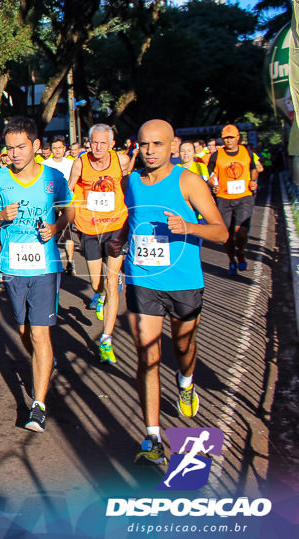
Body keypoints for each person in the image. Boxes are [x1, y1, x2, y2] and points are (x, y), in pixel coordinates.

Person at [110, 120, 227, 464]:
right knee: (148, 354)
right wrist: (121, 237)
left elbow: (220, 231)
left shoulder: (188, 181)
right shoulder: (130, 181)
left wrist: (188, 227)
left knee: (182, 347)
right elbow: (131, 220)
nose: (149, 152)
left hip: (184, 282)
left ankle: (186, 379)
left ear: (172, 146)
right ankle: (152, 437)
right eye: (144, 145)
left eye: (157, 145)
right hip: (142, 279)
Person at [0, 118, 74, 432]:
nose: (15, 153)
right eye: (9, 148)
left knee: (40, 334)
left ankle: (38, 405)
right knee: (24, 332)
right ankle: (43, 364)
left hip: (45, 267)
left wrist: (56, 227)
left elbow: (70, 211)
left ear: (37, 146)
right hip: (12, 266)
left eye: (21, 147)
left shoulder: (54, 178)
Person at [68, 124, 134, 364]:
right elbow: (69, 188)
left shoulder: (122, 161)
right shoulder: (80, 163)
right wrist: (70, 214)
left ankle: (106, 338)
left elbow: (128, 189)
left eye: (103, 143)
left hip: (116, 226)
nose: (97, 147)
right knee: (96, 283)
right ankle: (99, 296)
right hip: (89, 227)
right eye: (94, 142)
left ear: (112, 144)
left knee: (112, 280)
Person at [207, 124, 262, 274]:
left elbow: (254, 169)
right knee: (227, 234)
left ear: (238, 137)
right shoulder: (216, 156)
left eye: (232, 137)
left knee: (241, 230)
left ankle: (241, 253)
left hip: (244, 196)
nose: (229, 141)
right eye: (226, 138)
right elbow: (210, 176)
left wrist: (253, 181)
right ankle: (231, 259)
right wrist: (213, 185)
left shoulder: (246, 152)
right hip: (224, 198)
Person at [44, 136, 76, 274]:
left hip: (67, 203)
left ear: (64, 149)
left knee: (68, 233)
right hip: (50, 205)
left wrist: (66, 202)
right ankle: (52, 263)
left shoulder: (72, 163)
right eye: (54, 148)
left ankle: (70, 263)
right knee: (51, 234)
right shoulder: (45, 164)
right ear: (51, 149)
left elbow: (74, 182)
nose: (57, 151)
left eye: (60, 148)